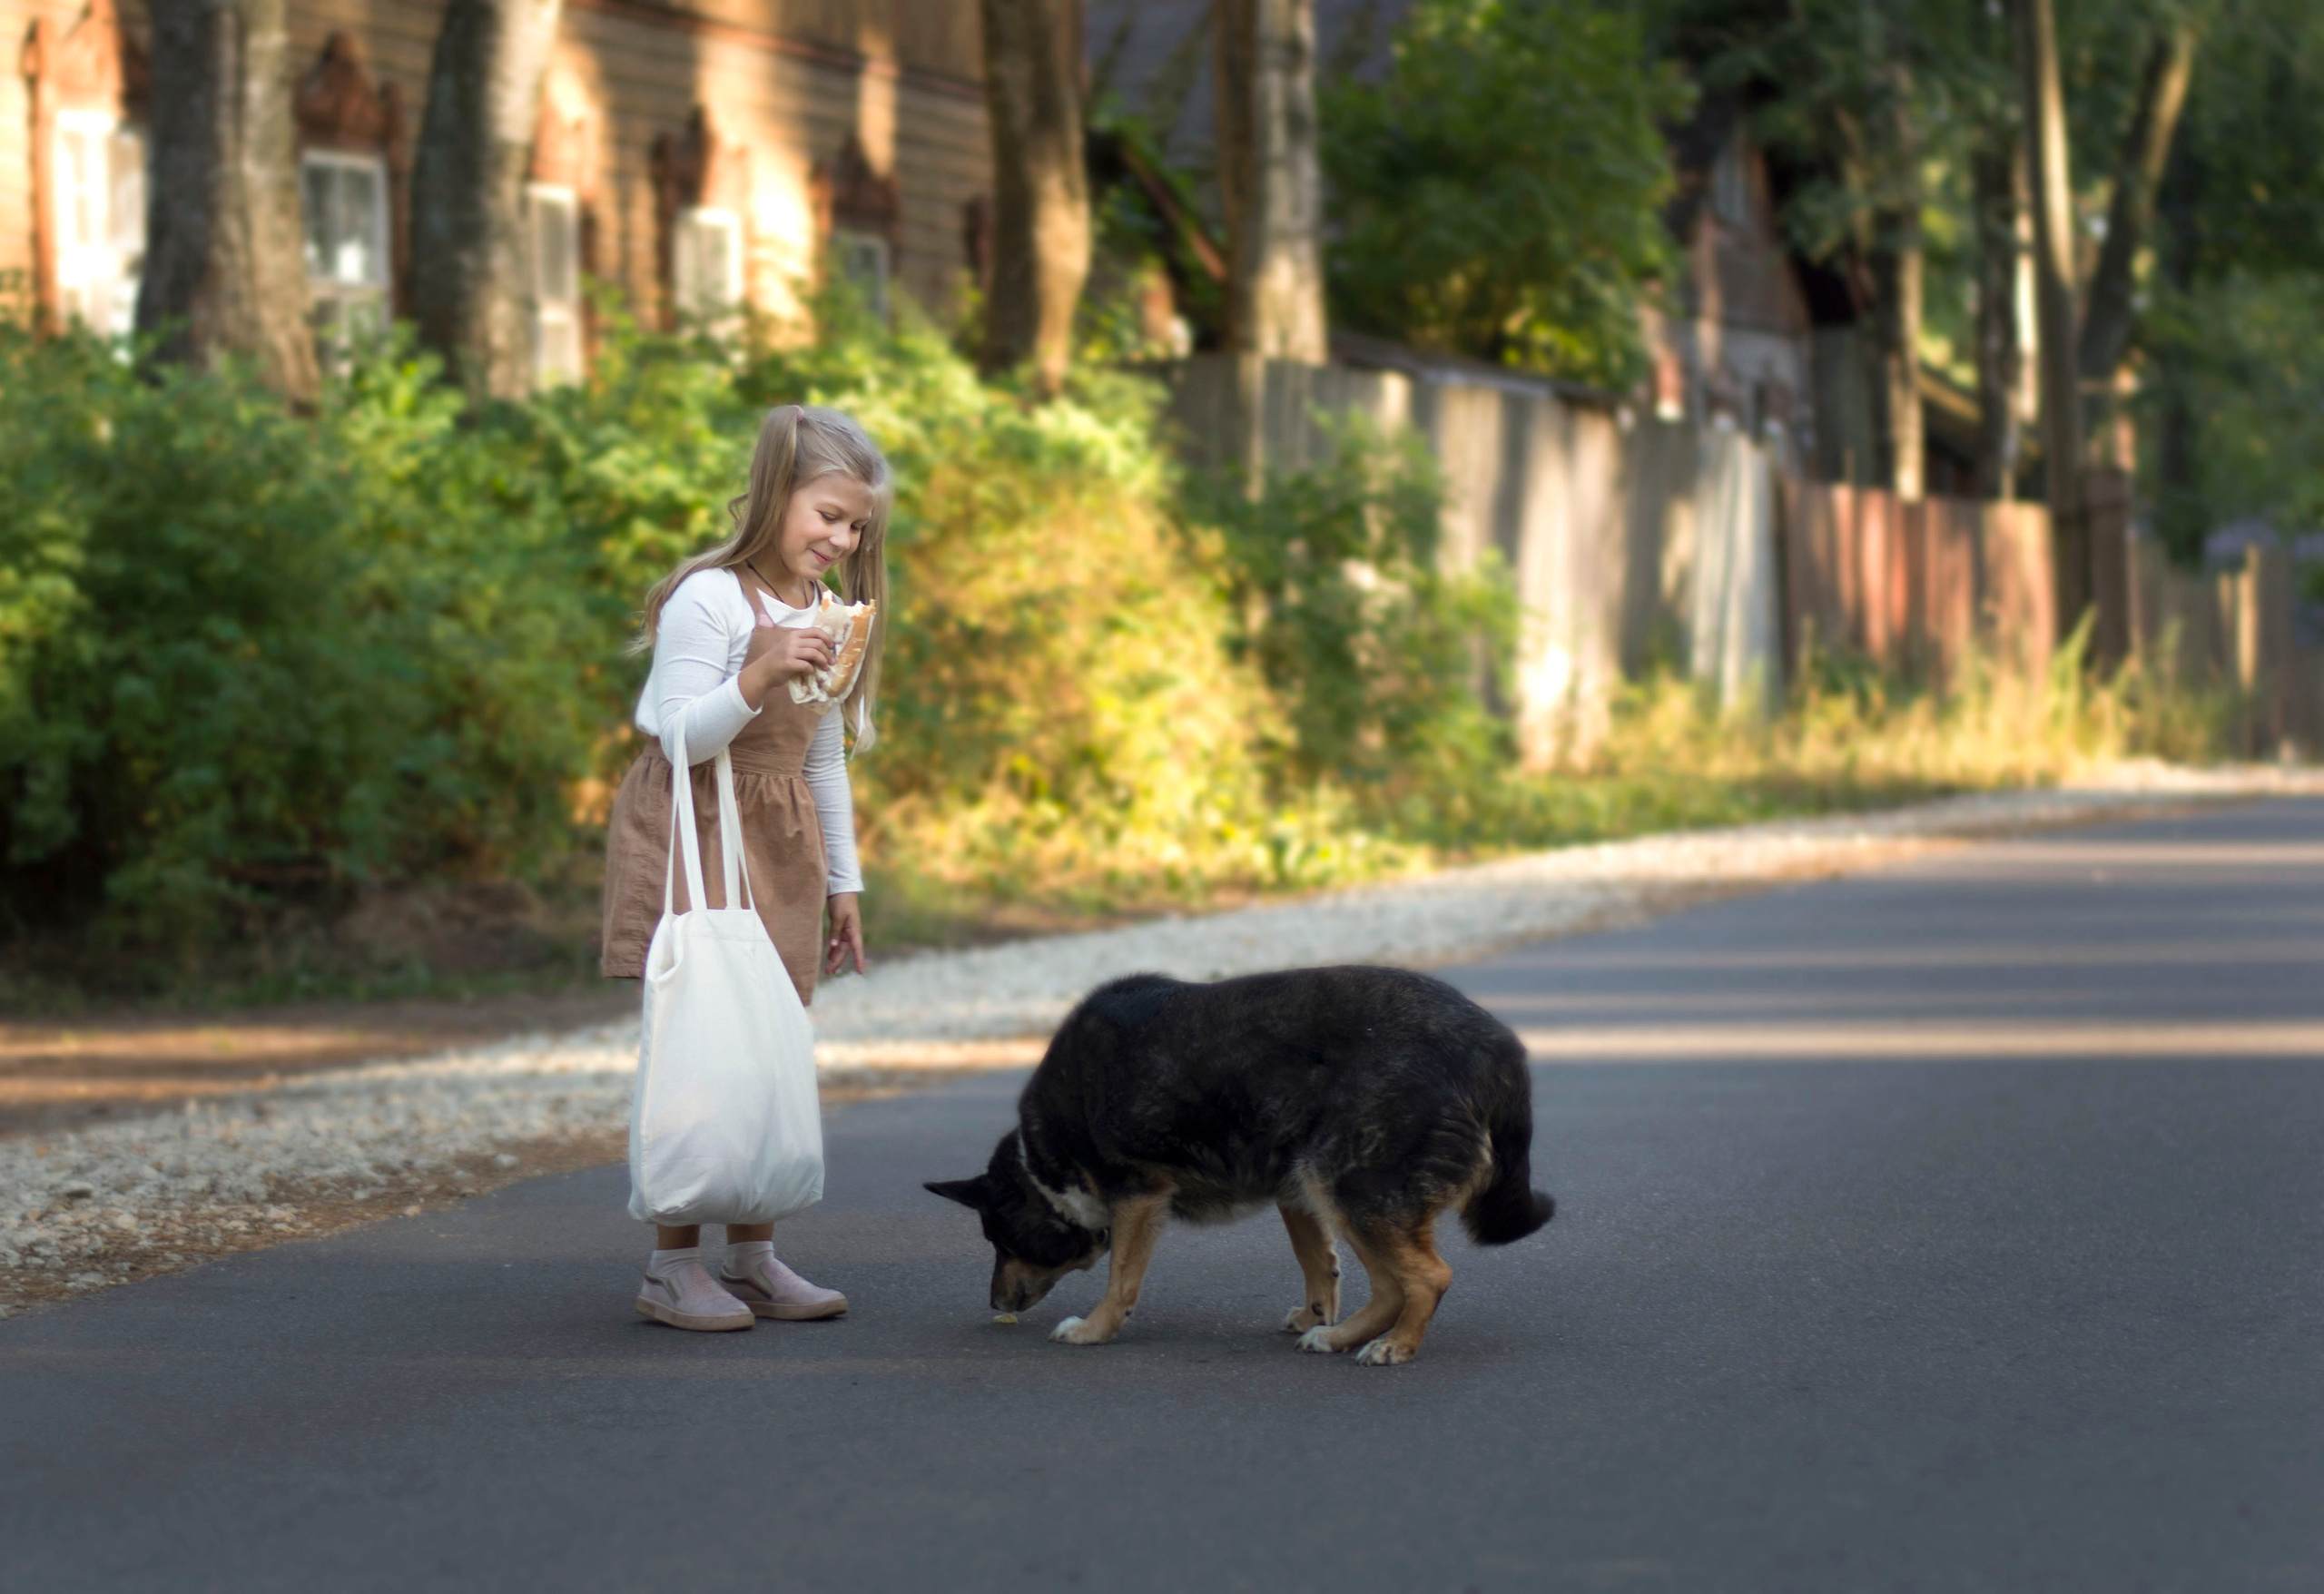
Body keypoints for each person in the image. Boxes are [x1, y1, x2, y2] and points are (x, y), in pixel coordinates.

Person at [599, 403, 889, 1333]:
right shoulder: (711, 598)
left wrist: (845, 881)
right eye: (828, 515)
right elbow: (676, 735)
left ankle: (753, 1253)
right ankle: (669, 1268)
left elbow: (822, 757)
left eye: (855, 527)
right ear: (776, 494)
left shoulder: (830, 613)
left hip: (781, 837)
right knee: (702, 1042)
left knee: (767, 1044)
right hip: (696, 822)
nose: (840, 539)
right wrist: (754, 676)